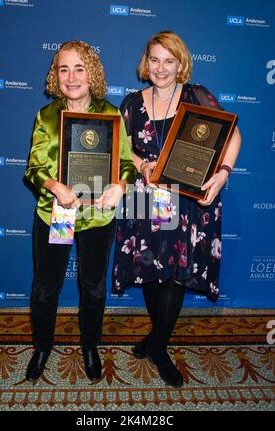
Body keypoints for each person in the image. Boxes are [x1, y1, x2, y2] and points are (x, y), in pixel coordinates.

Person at [112, 31, 242, 387]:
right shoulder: (131, 103)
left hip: (187, 201)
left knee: (174, 273)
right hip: (146, 197)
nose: (161, 68)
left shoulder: (197, 95)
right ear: (146, 63)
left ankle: (158, 344)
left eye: (169, 60)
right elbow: (122, 147)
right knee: (153, 270)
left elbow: (233, 135)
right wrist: (141, 166)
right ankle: (158, 341)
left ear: (181, 64)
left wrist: (223, 174)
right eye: (154, 60)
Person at [24, 41, 135, 382]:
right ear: (55, 76)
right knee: (46, 287)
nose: (71, 77)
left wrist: (121, 185)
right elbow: (33, 168)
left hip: (98, 217)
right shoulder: (46, 116)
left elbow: (127, 163)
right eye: (63, 69)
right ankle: (42, 346)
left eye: (79, 68)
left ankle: (90, 346)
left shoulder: (111, 113)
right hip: (57, 214)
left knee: (94, 288)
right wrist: (55, 186)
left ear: (92, 73)